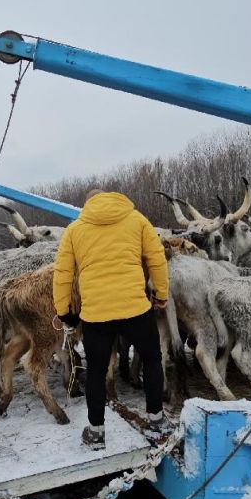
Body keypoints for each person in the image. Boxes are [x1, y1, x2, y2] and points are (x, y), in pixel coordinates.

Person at [52, 189, 170, 450]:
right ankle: (157, 419)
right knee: (151, 359)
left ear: (88, 204)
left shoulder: (74, 230)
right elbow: (157, 259)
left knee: (96, 370)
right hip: (136, 309)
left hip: (96, 314)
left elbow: (61, 274)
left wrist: (64, 313)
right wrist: (161, 294)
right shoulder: (137, 219)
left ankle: (96, 433)